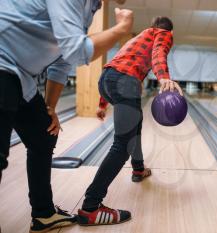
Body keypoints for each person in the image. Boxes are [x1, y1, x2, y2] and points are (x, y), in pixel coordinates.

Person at [0, 0, 132, 232]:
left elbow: (63, 59)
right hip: (2, 63)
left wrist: (50, 108)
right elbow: (77, 51)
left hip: (19, 76)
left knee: (44, 134)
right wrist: (121, 30)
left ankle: (44, 214)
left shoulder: (89, 7)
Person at [77, 16, 183, 226]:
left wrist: (102, 104)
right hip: (126, 82)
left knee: (136, 123)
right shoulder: (163, 33)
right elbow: (158, 53)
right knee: (122, 145)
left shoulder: (137, 38)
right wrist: (163, 77)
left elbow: (116, 69)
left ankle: (138, 168)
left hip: (106, 80)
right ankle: (91, 207)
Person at [97, 97, 152, 182]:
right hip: (129, 97)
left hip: (123, 99)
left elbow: (108, 83)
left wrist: (102, 105)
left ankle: (138, 169)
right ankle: (93, 194)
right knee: (121, 147)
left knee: (135, 136)